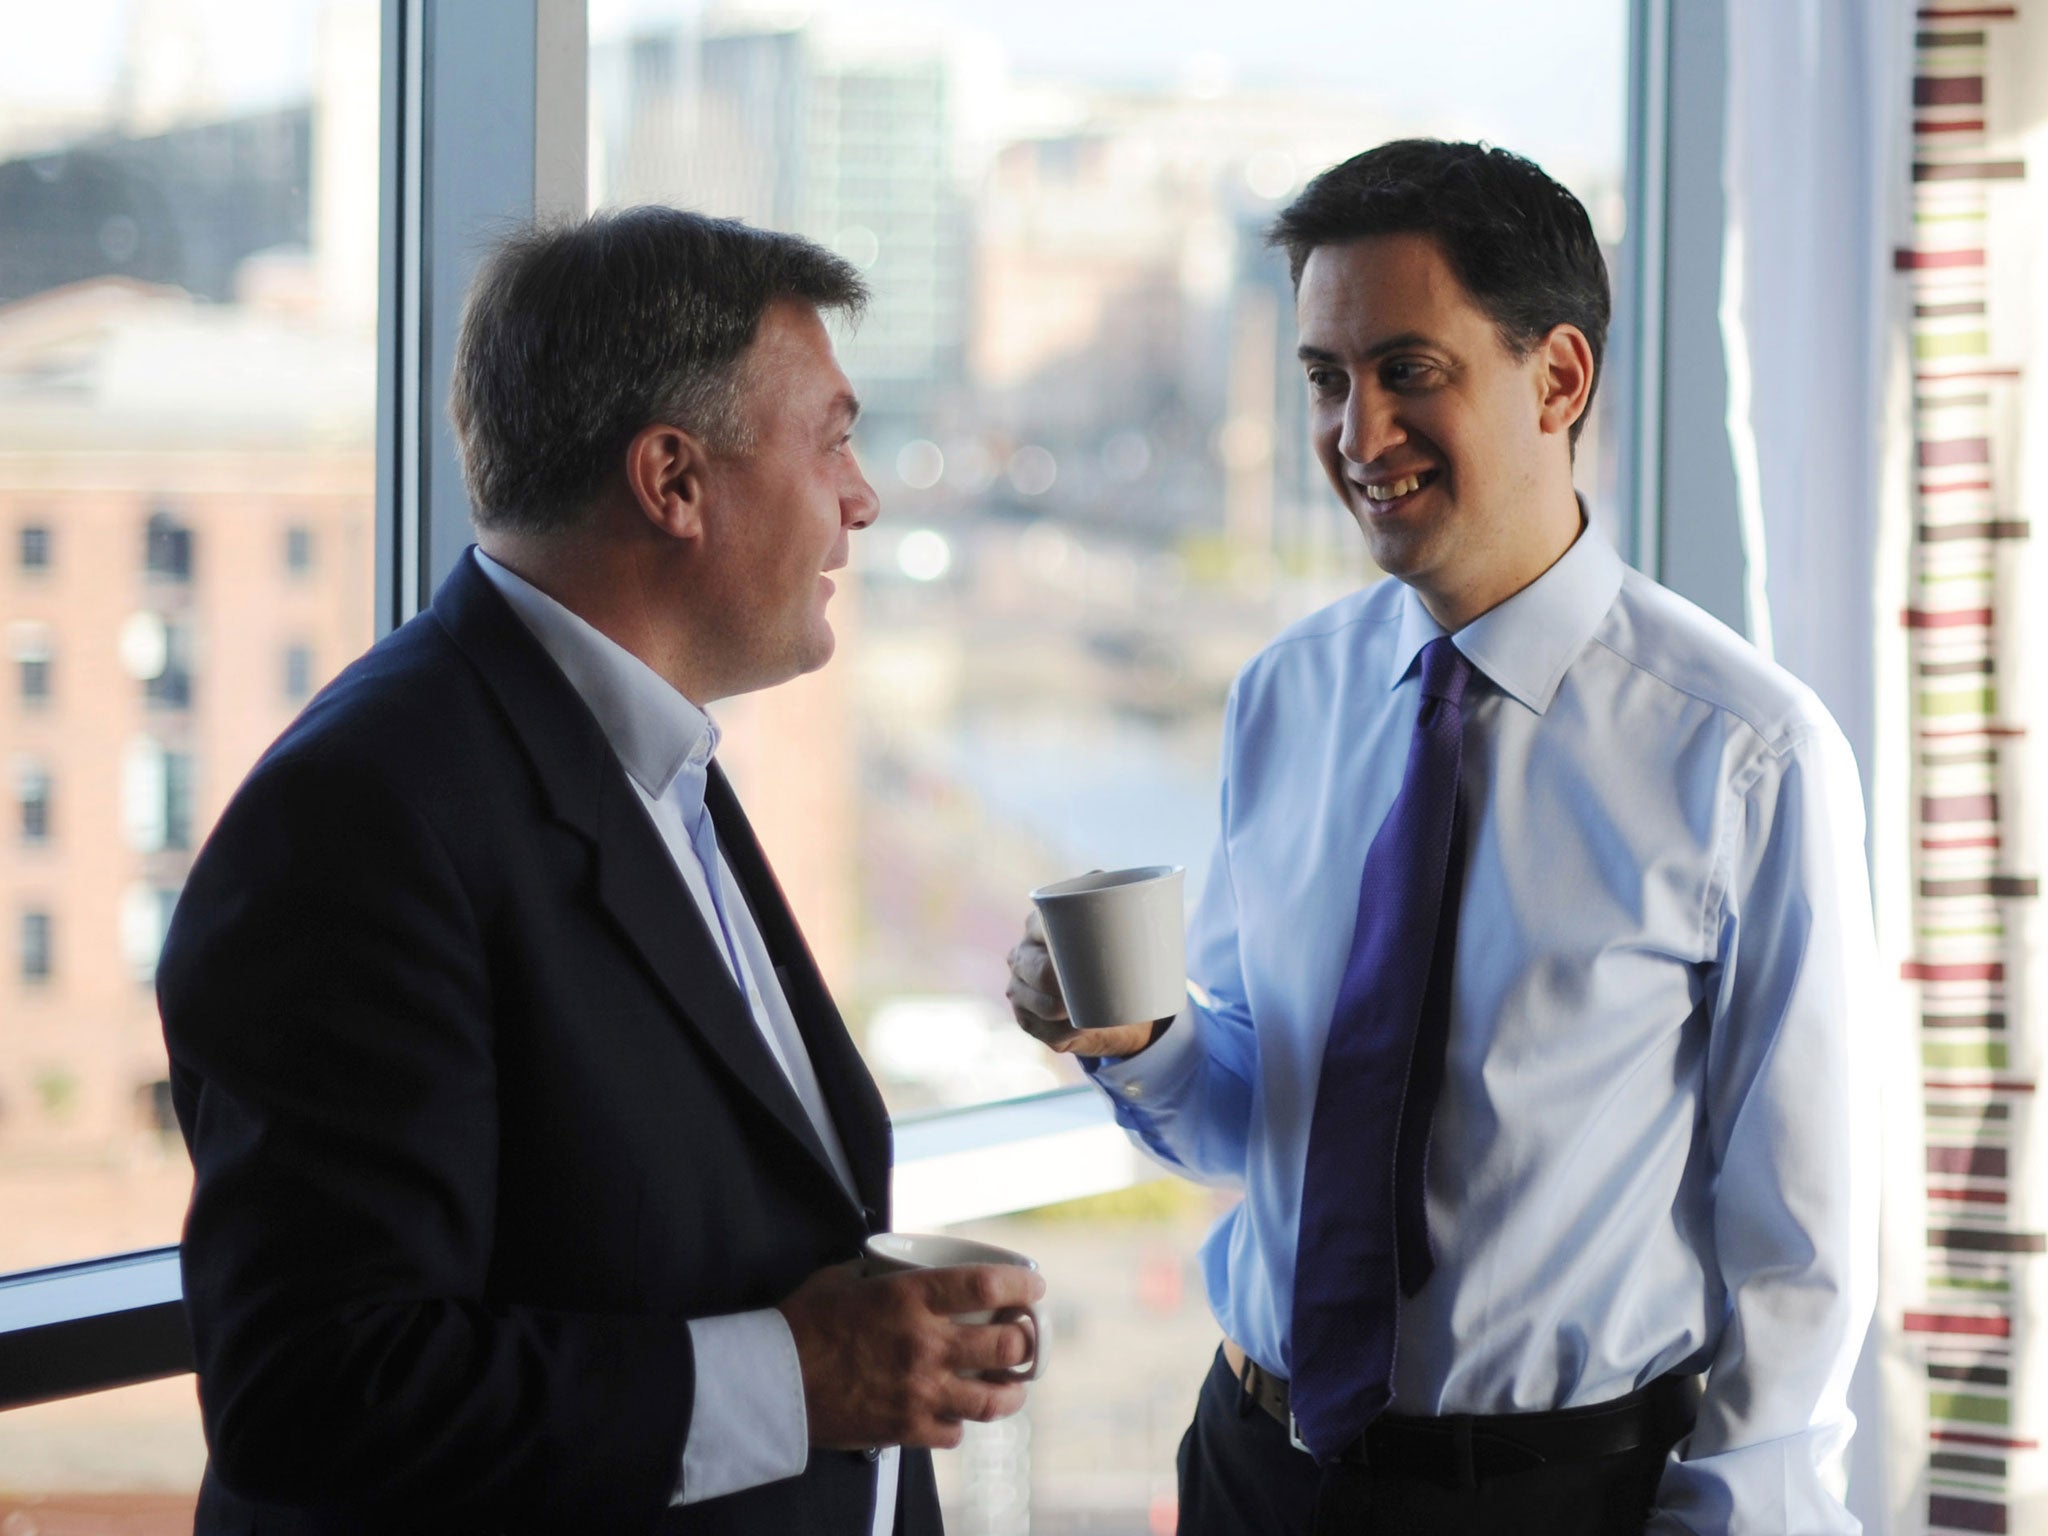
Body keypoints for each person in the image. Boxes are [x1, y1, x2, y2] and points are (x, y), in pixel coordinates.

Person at [1007, 140, 1876, 1536]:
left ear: (1560, 380)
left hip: (1552, 1499)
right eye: (1323, 379)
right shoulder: (1287, 695)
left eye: (1409, 370)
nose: (1357, 435)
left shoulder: (1743, 754)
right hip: (1252, 1467)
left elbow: (1802, 1246)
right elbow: (1263, 1114)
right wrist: (1142, 1042)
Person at [160, 207, 1040, 1536]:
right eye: (834, 439)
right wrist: (806, 1378)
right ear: (673, 481)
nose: (863, 498)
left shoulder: (656, 762)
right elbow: (315, 1389)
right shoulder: (358, 820)